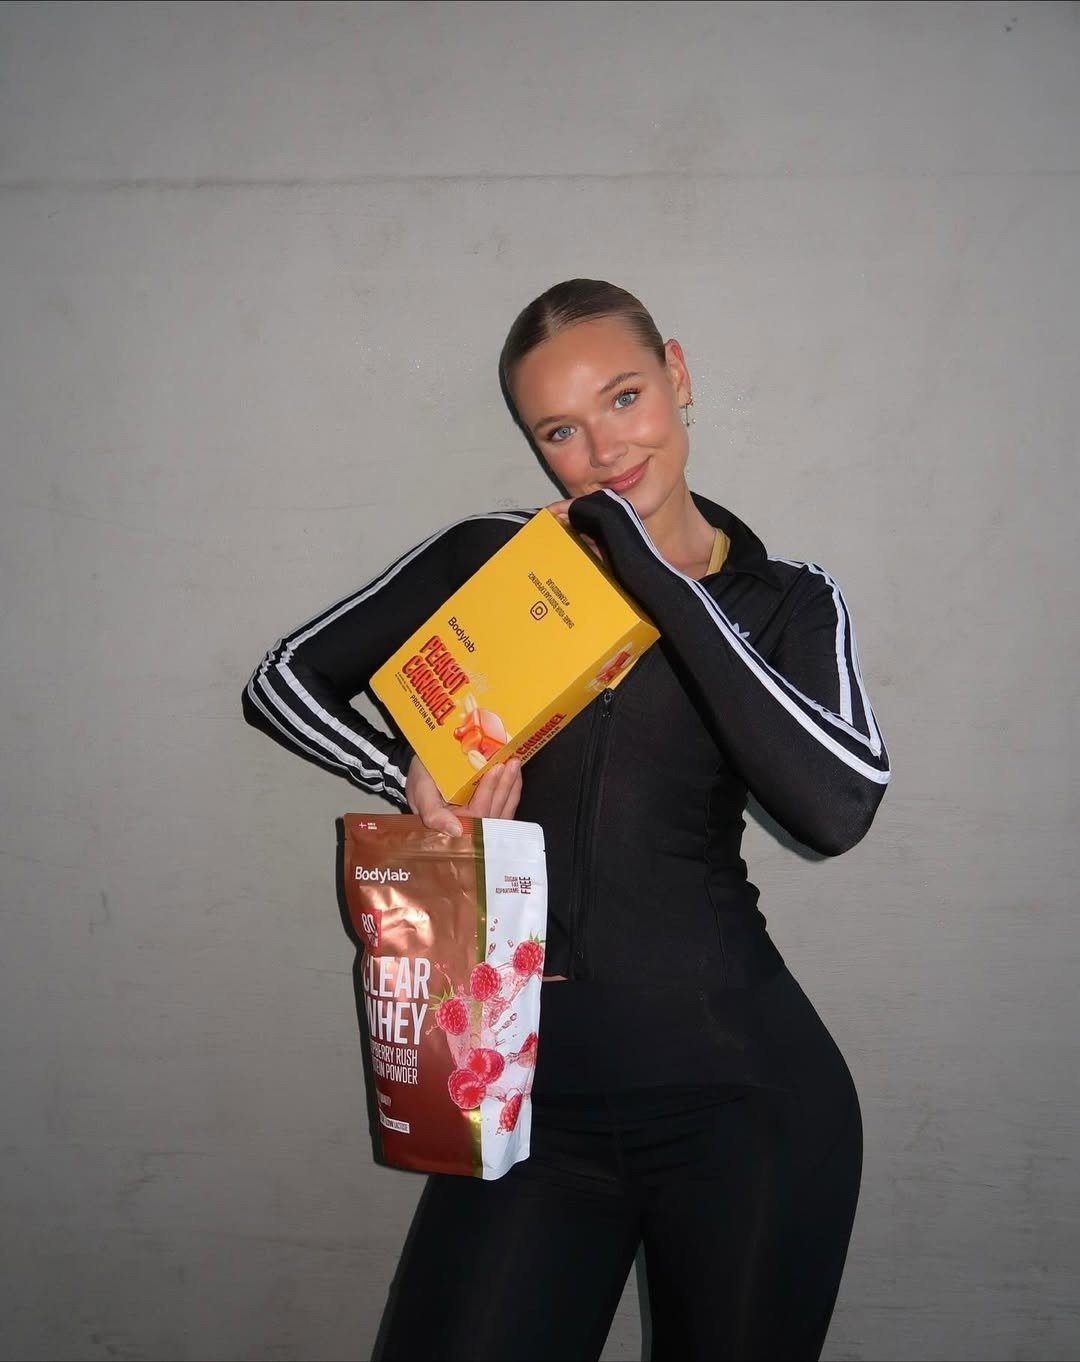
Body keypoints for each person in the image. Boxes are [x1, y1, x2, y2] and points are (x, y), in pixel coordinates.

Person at [242, 279, 891, 1361]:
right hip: (526, 1106)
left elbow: (837, 806)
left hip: (744, 1103)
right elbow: (280, 683)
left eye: (624, 397)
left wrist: (646, 570)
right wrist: (408, 775)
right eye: (560, 430)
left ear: (676, 374)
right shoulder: (493, 562)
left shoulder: (786, 599)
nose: (603, 450)